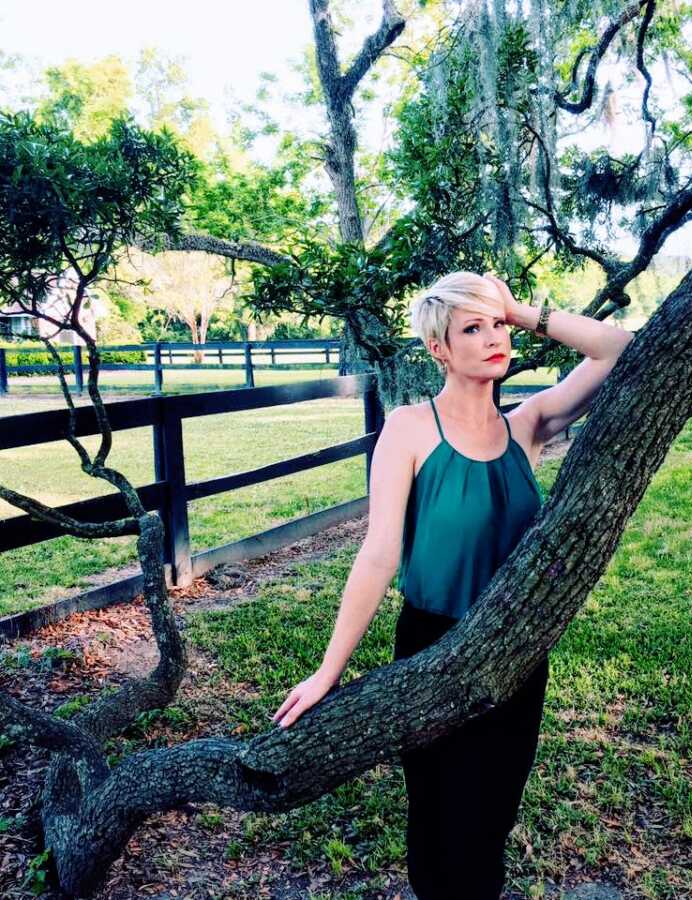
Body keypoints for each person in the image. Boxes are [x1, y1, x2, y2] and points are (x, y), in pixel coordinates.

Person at [272, 271, 634, 898]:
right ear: (438, 348)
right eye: (473, 329)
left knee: (488, 824)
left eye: (497, 328)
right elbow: (379, 552)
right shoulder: (410, 429)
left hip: (514, 654)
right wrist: (329, 672)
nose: (494, 340)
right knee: (438, 827)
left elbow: (616, 347)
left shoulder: (528, 426)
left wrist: (516, 309)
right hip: (432, 646)